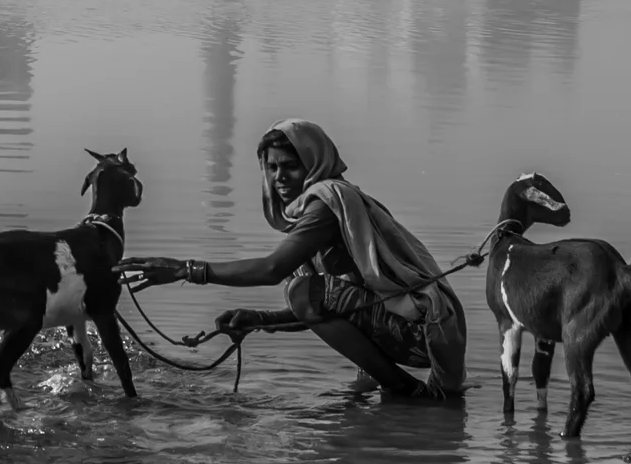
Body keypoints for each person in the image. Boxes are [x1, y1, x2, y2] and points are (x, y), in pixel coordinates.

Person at [122, 118, 467, 399]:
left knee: (301, 289)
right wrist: (259, 319)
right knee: (304, 293)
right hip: (408, 331)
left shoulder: (327, 203)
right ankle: (386, 392)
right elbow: (321, 311)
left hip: (421, 333)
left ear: (314, 164)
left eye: (290, 166)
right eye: (271, 167)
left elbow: (277, 272)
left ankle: (407, 391)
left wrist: (186, 270)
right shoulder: (316, 208)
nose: (279, 178)